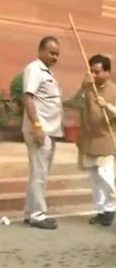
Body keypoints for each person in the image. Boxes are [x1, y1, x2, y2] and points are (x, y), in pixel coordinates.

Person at [75, 54, 116, 226]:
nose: (93, 75)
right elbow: (73, 103)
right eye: (91, 71)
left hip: (106, 140)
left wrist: (107, 106)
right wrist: (83, 87)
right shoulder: (87, 88)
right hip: (88, 139)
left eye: (97, 71)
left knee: (106, 177)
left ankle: (110, 208)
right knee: (94, 178)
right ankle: (100, 210)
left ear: (107, 73)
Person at [22, 36, 63, 230]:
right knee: (40, 173)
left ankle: (31, 212)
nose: (55, 57)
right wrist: (37, 125)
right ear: (41, 51)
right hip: (40, 130)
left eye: (57, 54)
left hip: (49, 131)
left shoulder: (48, 73)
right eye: (51, 52)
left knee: (39, 173)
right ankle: (38, 215)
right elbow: (28, 98)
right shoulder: (34, 69)